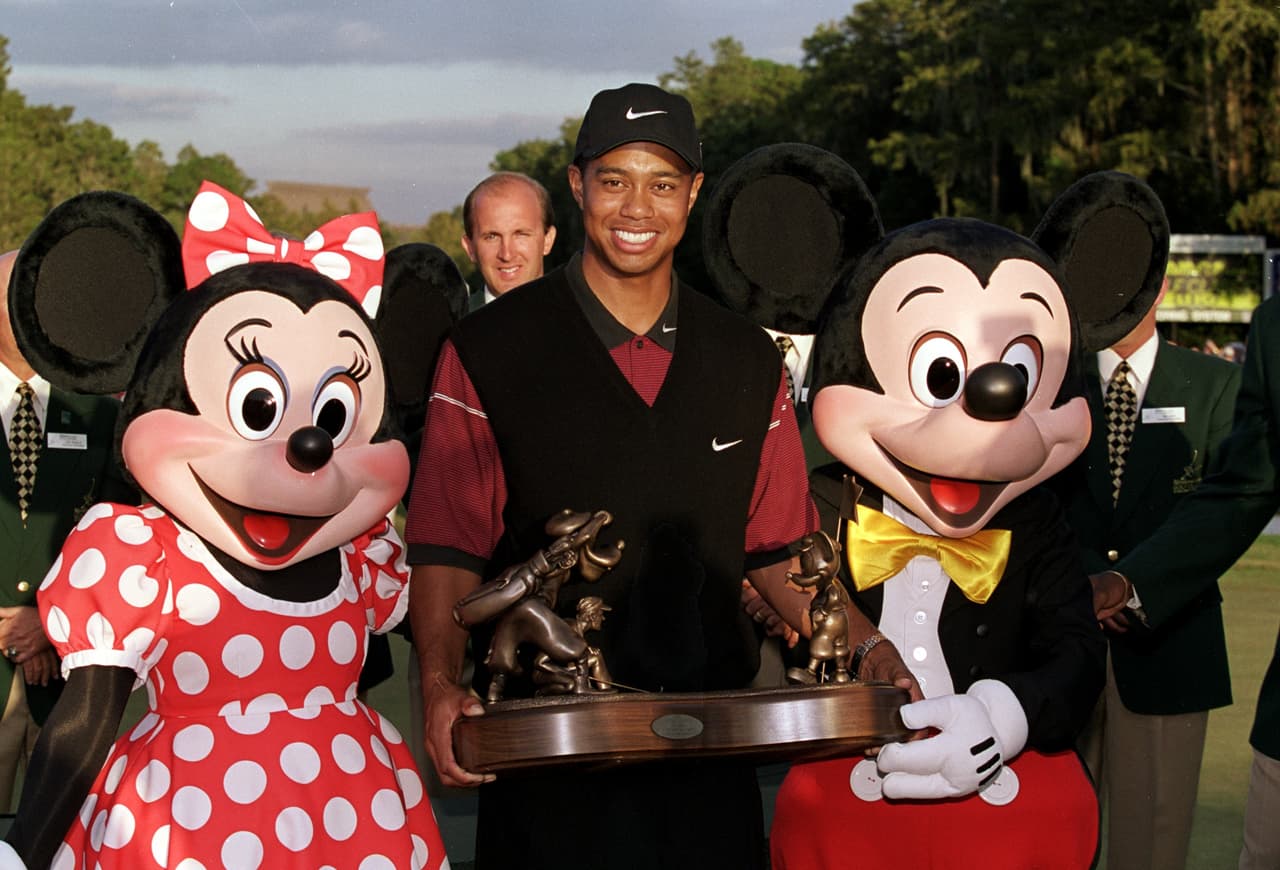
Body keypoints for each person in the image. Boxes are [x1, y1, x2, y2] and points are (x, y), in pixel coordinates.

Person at [403, 82, 906, 870]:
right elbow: (445, 547)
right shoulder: (489, 348)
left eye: (663, 183)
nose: (638, 206)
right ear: (578, 186)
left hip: (710, 765)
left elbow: (776, 548)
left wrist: (872, 647)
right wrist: (435, 684)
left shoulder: (745, 358)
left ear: (694, 193)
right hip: (549, 764)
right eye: (615, 180)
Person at [1055, 278, 1240, 870]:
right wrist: (1078, 587)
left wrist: (1133, 586)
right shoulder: (1054, 381)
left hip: (1170, 644)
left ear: (1160, 282)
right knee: (1053, 840)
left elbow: (1225, 514)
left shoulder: (1216, 384)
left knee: (1153, 848)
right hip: (1060, 644)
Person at [1099, 290, 1280, 870]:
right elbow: (1243, 488)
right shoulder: (1274, 327)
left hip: (1175, 653)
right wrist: (1128, 581)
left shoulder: (1209, 379)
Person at [0, 250, 133, 812]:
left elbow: (123, 533)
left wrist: (49, 618)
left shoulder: (100, 415)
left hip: (70, 678)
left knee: (64, 836)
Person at [460, 171, 556, 309]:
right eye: (491, 237)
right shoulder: (451, 327)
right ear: (470, 248)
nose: (507, 255)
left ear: (548, 240)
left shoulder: (584, 321)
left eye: (520, 234)